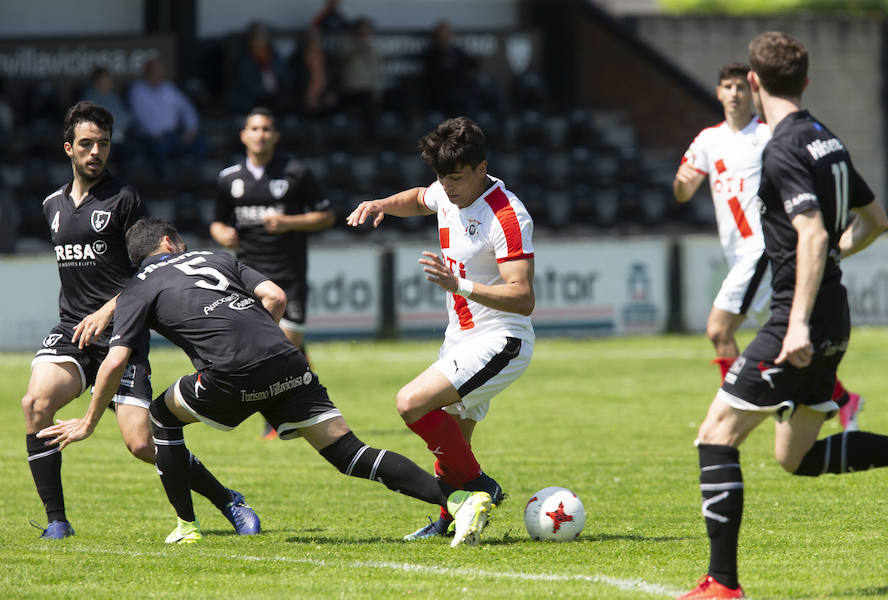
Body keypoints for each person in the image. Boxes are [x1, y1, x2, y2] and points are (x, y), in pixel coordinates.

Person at [38, 217, 494, 547]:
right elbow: (274, 295)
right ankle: (457, 501)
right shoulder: (217, 257)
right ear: (171, 242)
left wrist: (89, 420)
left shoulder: (137, 285)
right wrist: (262, 347)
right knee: (348, 452)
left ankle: (187, 526)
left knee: (160, 418)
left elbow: (116, 359)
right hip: (285, 356)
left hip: (231, 373)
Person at [679, 32, 888, 599]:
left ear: (754, 83)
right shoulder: (827, 140)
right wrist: (833, 258)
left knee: (715, 437)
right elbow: (874, 217)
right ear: (805, 82)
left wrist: (796, 321)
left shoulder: (781, 148)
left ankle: (722, 585)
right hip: (836, 316)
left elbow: (811, 231)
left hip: (795, 323)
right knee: (793, 458)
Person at [23, 101, 257, 540]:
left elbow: (146, 271)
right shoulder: (50, 205)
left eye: (104, 144)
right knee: (36, 404)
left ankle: (227, 498)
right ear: (69, 148)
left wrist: (107, 310)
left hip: (121, 333)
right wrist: (87, 315)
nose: (96, 152)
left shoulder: (125, 199)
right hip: (72, 330)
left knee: (141, 444)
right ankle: (57, 521)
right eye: (87, 144)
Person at [346, 116, 535, 540]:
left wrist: (460, 285)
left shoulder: (506, 215)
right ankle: (452, 518)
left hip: (501, 339)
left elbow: (523, 297)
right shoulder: (446, 191)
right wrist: (381, 205)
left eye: (456, 178)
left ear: (481, 169)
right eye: (441, 177)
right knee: (453, 445)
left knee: (411, 403)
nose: (447, 188)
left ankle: (483, 487)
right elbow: (418, 198)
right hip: (462, 337)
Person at [673, 62, 864, 431]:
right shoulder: (707, 140)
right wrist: (682, 182)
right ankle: (843, 399)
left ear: (753, 91)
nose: (734, 94)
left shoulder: (768, 135)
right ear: (718, 93)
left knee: (718, 329)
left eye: (741, 87)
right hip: (739, 254)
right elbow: (684, 192)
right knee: (784, 342)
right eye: (727, 87)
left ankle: (734, 404)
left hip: (760, 248)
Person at [210, 107, 335, 438]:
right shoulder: (228, 179)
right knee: (266, 347)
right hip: (248, 274)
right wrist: (221, 233)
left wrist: (289, 222)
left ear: (275, 136)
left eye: (266, 129)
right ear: (243, 135)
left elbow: (326, 216)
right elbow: (217, 221)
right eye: (254, 128)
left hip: (289, 272)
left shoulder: (296, 172)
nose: (260, 134)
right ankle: (281, 418)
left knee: (284, 345)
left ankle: (294, 411)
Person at [128, 58, 205, 177]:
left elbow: (187, 108)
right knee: (160, 149)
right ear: (147, 72)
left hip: (174, 134)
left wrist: (191, 130)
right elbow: (140, 116)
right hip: (150, 137)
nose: (157, 74)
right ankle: (163, 188)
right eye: (154, 71)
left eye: (159, 71)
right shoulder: (138, 90)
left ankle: (191, 186)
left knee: (200, 144)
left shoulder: (168, 88)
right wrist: (155, 134)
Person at [226, 21, 290, 114]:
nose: (261, 41)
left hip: (272, 98)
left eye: (263, 37)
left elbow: (283, 75)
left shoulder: (274, 55)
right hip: (250, 99)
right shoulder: (244, 58)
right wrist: (265, 91)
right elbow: (246, 82)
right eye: (257, 37)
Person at [422, 21, 478, 116]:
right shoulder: (431, 54)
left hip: (464, 88)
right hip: (443, 92)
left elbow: (470, 64)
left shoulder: (457, 51)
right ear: (436, 36)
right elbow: (433, 76)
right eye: (442, 34)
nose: (445, 36)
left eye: (447, 33)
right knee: (459, 100)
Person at [81, 67, 133, 146]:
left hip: (119, 136)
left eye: (108, 81)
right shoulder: (89, 97)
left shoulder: (113, 97)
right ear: (95, 82)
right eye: (102, 82)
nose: (106, 84)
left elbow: (126, 118)